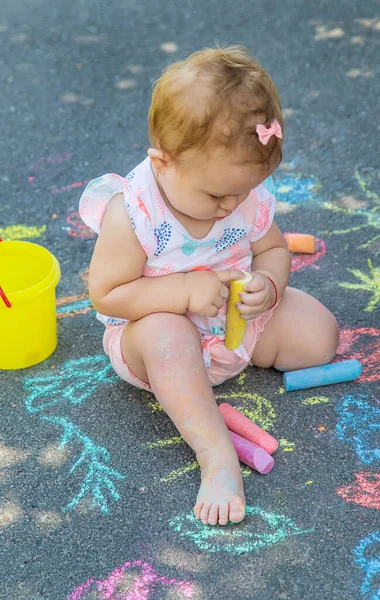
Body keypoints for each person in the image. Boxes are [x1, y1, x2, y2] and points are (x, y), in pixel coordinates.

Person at [79, 45, 339, 526]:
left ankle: (227, 366)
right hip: (155, 337)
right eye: (218, 194)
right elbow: (108, 294)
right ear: (163, 163)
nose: (231, 206)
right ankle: (215, 454)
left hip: (234, 322)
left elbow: (274, 250)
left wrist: (269, 285)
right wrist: (182, 293)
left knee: (319, 335)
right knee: (166, 335)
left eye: (243, 191)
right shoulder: (135, 212)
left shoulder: (239, 194)